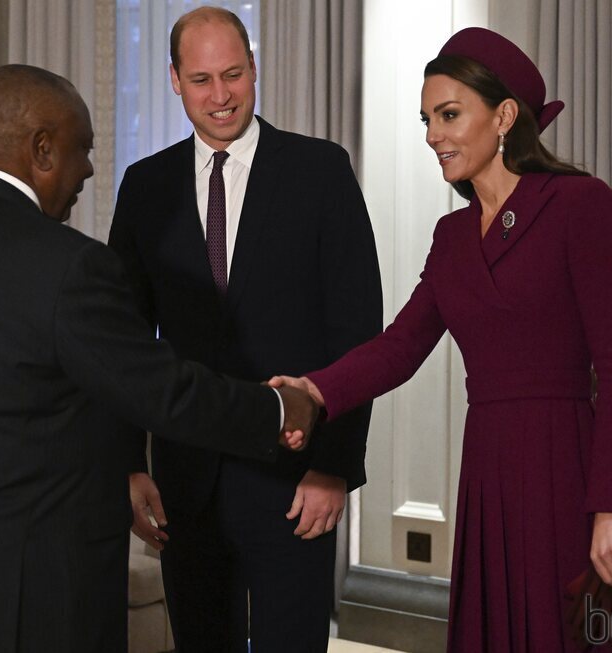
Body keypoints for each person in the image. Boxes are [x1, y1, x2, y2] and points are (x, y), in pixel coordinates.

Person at [0, 64, 319, 653]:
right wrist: (278, 408)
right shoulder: (69, 267)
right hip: (26, 608)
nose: (90, 169)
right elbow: (160, 390)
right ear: (43, 149)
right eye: (82, 149)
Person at [271, 27, 612, 652]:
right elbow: (399, 348)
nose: (431, 135)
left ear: (503, 117)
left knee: (570, 634)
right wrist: (313, 388)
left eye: (448, 115)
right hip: (488, 466)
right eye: (425, 119)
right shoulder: (451, 237)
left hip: (566, 465)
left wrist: (611, 507)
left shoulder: (579, 205)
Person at [108, 7, 382, 651]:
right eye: (201, 79)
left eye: (233, 74)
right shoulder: (144, 187)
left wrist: (335, 466)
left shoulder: (321, 172)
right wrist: (127, 462)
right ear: (175, 80)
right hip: (184, 482)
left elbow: (357, 333)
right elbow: (120, 338)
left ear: (255, 70)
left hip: (295, 478)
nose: (221, 95)